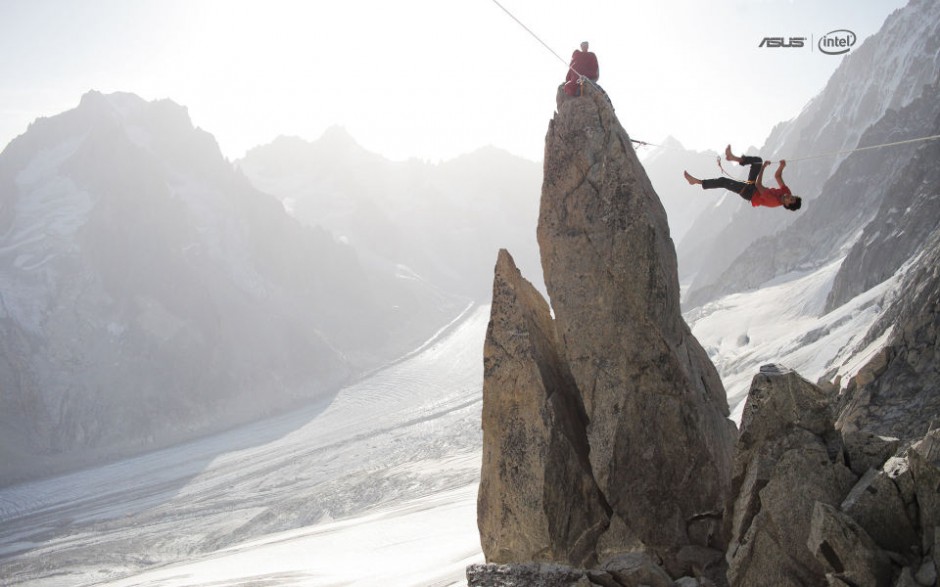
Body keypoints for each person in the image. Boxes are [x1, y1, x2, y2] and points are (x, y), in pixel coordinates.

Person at [683, 145, 802, 211]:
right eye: (793, 197)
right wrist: (782, 166)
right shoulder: (786, 192)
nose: (789, 196)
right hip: (754, 187)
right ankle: (733, 158)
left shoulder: (773, 202)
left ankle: (696, 182)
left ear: (786, 205)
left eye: (790, 200)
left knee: (724, 181)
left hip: (749, 193)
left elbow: (758, 185)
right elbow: (778, 176)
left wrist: (763, 168)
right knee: (757, 161)